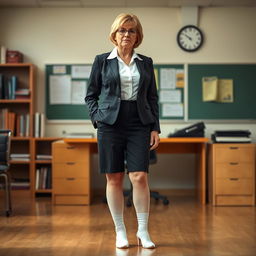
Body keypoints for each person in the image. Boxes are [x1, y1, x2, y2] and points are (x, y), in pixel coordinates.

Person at [85, 13, 160, 249]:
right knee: (114, 177)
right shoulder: (102, 61)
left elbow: (152, 97)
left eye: (132, 31)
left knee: (139, 176)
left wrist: (155, 127)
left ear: (137, 36)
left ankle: (143, 230)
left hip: (139, 123)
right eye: (122, 30)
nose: (127, 34)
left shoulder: (145, 62)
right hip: (110, 124)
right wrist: (99, 119)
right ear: (114, 34)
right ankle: (120, 231)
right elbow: (90, 95)